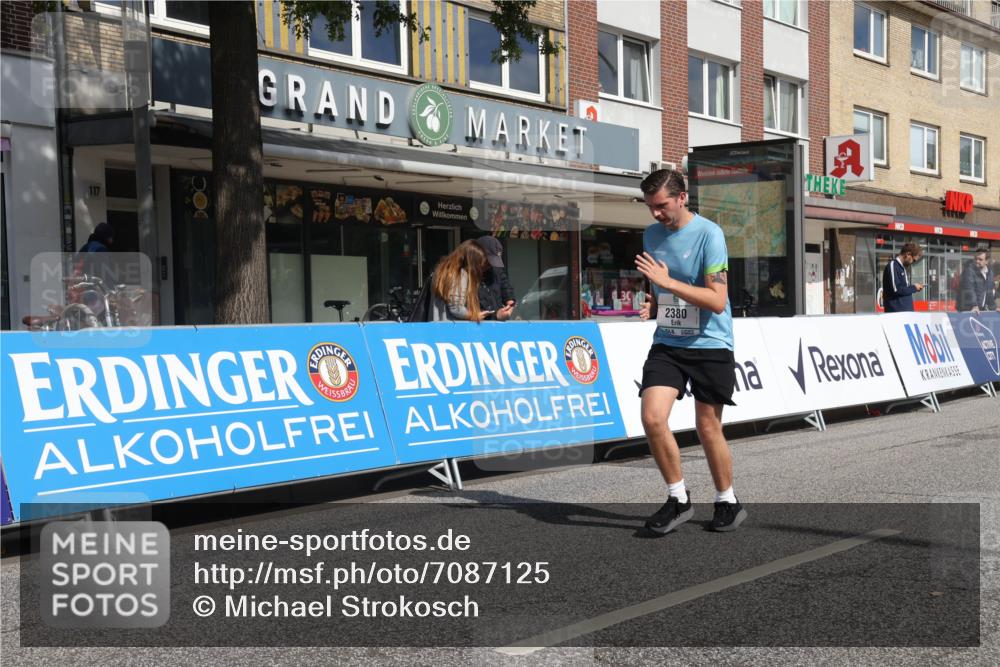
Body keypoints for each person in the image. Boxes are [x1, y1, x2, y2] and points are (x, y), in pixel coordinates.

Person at [633, 169, 745, 535]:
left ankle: (727, 500)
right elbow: (661, 285)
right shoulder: (651, 235)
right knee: (652, 418)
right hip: (669, 341)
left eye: (661, 205)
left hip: (710, 342)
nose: (655, 214)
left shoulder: (710, 234)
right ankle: (678, 499)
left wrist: (669, 284)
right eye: (650, 207)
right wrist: (655, 301)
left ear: (681, 198)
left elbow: (717, 300)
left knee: (707, 426)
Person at [429, 240, 491, 322]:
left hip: (438, 326)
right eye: (479, 263)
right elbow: (456, 308)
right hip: (453, 329)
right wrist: (476, 315)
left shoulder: (441, 271)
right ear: (472, 262)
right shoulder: (459, 275)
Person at [474, 235, 516, 321]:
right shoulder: (466, 276)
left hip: (497, 325)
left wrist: (510, 302)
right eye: (489, 261)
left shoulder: (496, 269)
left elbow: (506, 287)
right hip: (477, 326)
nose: (490, 265)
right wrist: (495, 315)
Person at [881, 242, 924, 313]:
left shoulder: (902, 268)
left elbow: (902, 289)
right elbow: (896, 289)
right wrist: (914, 288)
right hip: (897, 314)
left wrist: (914, 288)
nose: (912, 263)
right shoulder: (893, 266)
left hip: (905, 314)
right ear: (908, 254)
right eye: (913, 260)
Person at [957, 249, 998, 313]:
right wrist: (974, 305)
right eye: (975, 259)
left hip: (980, 310)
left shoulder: (990, 273)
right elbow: (969, 289)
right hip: (968, 310)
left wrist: (994, 308)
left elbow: (990, 292)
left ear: (986, 261)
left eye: (980, 259)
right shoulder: (969, 271)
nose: (977, 261)